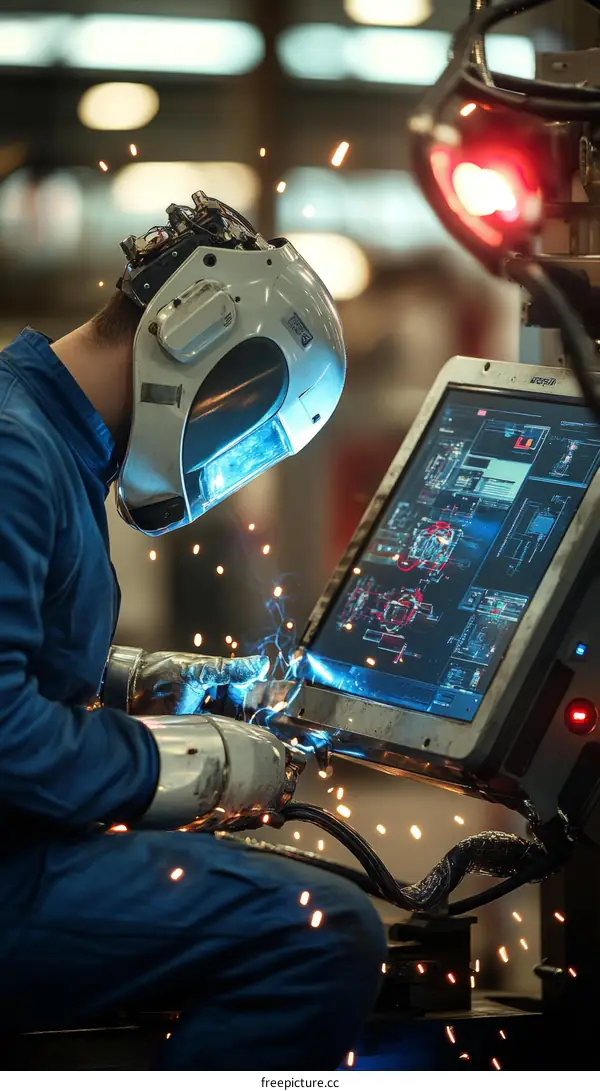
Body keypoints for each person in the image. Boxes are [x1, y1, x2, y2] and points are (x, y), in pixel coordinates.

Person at [0, 193, 386, 1070]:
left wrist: (144, 683)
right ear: (195, 336)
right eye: (243, 408)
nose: (227, 444)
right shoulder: (15, 454)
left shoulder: (41, 436)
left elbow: (23, 655)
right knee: (321, 931)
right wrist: (189, 767)